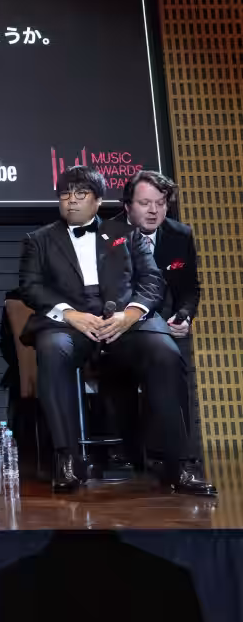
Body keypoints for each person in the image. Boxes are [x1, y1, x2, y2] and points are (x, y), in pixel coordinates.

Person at [17, 165, 213, 495]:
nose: (71, 201)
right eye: (65, 195)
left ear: (98, 201)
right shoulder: (39, 240)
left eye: (81, 195)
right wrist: (71, 315)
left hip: (124, 322)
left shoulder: (126, 233)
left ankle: (182, 464)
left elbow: (152, 280)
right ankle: (67, 460)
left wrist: (130, 315)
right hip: (71, 323)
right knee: (52, 348)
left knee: (165, 352)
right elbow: (31, 287)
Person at [112, 170, 203, 463]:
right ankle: (131, 451)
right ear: (127, 206)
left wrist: (184, 316)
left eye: (161, 203)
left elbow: (189, 288)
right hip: (122, 325)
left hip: (167, 323)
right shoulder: (107, 235)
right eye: (145, 203)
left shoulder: (180, 235)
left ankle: (179, 456)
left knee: (176, 362)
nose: (154, 210)